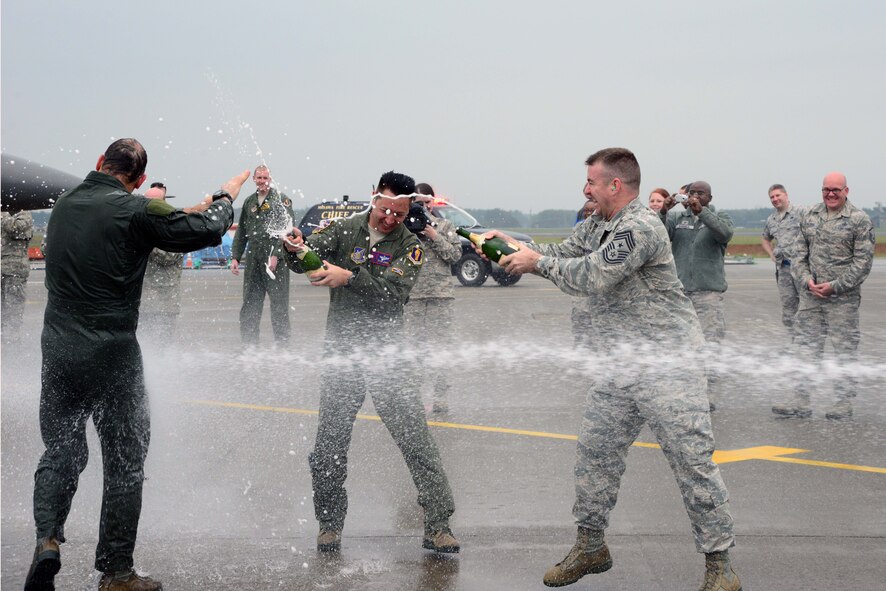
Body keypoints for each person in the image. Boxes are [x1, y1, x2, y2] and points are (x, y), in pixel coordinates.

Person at [481, 148, 739, 590]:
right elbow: (563, 251)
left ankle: (720, 566)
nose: (585, 189)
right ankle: (591, 546)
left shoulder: (639, 227)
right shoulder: (600, 224)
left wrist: (535, 263)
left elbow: (592, 275)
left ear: (614, 186)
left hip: (668, 365)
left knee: (691, 464)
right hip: (621, 365)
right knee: (595, 455)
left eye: (591, 183)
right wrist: (517, 247)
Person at [24, 138, 250, 591]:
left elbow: (148, 222)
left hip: (59, 350)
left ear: (98, 164)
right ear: (141, 180)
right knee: (125, 462)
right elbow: (203, 230)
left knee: (61, 452)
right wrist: (227, 196)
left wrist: (182, 210)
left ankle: (47, 539)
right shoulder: (137, 211)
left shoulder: (66, 203)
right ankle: (116, 571)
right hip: (113, 354)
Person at [281, 171, 459, 555]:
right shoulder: (344, 230)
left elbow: (393, 296)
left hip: (387, 358)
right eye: (387, 209)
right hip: (342, 356)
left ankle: (439, 524)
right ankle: (328, 525)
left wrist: (349, 278)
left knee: (417, 442)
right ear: (374, 197)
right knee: (328, 446)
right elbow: (302, 260)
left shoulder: (410, 246)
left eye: (401, 211)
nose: (392, 218)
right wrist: (294, 246)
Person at [772, 172, 875, 420]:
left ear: (846, 191)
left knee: (844, 349)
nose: (830, 194)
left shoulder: (859, 220)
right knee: (805, 347)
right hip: (810, 296)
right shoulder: (810, 215)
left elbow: (863, 263)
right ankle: (800, 398)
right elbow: (798, 253)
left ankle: (843, 401)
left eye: (835, 190)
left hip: (842, 299)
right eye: (826, 189)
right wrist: (805, 279)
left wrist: (836, 286)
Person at [661, 180, 734, 409]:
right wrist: (664, 210)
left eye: (700, 194)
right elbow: (659, 235)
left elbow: (724, 234)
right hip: (681, 293)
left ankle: (707, 393)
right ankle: (683, 391)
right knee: (680, 344)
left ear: (709, 198)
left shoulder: (718, 216)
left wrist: (701, 213)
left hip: (707, 293)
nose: (694, 197)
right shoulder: (677, 220)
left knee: (709, 343)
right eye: (691, 193)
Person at [403, 182, 463, 414]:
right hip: (414, 297)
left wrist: (434, 235)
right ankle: (414, 395)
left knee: (441, 348)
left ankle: (440, 396)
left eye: (428, 203)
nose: (424, 207)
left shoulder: (445, 226)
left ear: (433, 202)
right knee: (414, 348)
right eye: (419, 203)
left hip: (441, 296)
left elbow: (455, 255)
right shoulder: (404, 230)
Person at [230, 165, 295, 344]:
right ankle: (249, 347)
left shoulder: (281, 200)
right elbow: (242, 230)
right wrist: (235, 256)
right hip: (253, 258)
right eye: (259, 178)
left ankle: (283, 347)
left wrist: (276, 254)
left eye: (265, 178)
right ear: (254, 180)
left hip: (276, 260)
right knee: (250, 304)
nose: (262, 181)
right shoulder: (249, 202)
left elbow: (286, 230)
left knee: (279, 306)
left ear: (270, 179)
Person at [139, 185, 185, 342]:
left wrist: (145, 242)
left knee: (163, 343)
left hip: (166, 297)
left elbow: (170, 255)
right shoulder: (141, 223)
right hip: (144, 297)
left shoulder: (176, 224)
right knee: (143, 340)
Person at [761, 184, 804, 335]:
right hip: (784, 270)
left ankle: (809, 344)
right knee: (788, 310)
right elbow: (765, 239)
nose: (775, 199)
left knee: (806, 308)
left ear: (786, 195)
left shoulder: (801, 213)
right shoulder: (771, 219)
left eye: (778, 195)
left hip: (802, 269)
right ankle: (795, 341)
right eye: (772, 197)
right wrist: (771, 254)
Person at [1, 208, 33, 345]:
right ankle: (2, 333)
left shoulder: (24, 216)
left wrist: (2, 217)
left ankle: (12, 337)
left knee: (14, 305)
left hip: (15, 269)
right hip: (3, 268)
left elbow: (14, 227)